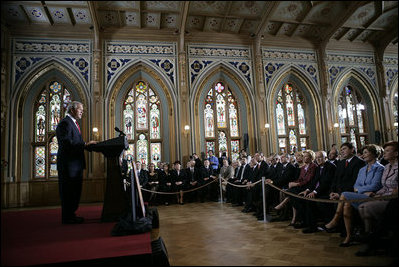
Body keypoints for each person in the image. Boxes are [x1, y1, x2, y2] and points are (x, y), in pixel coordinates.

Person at [324, 144, 384, 247]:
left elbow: (375, 185)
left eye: (365, 152)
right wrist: (362, 191)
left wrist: (360, 190)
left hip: (372, 197)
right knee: (347, 204)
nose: (363, 155)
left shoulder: (379, 168)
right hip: (360, 195)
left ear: (374, 154)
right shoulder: (362, 169)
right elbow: (356, 185)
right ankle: (349, 235)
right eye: (363, 152)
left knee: (344, 195)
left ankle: (335, 220)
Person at [56, 101, 97, 224]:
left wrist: (88, 146)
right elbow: (66, 142)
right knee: (68, 192)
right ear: (72, 110)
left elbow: (75, 142)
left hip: (75, 165)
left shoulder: (73, 123)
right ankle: (68, 217)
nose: (82, 112)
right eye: (80, 110)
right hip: (68, 166)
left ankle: (71, 215)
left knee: (74, 192)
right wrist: (84, 144)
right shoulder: (65, 123)